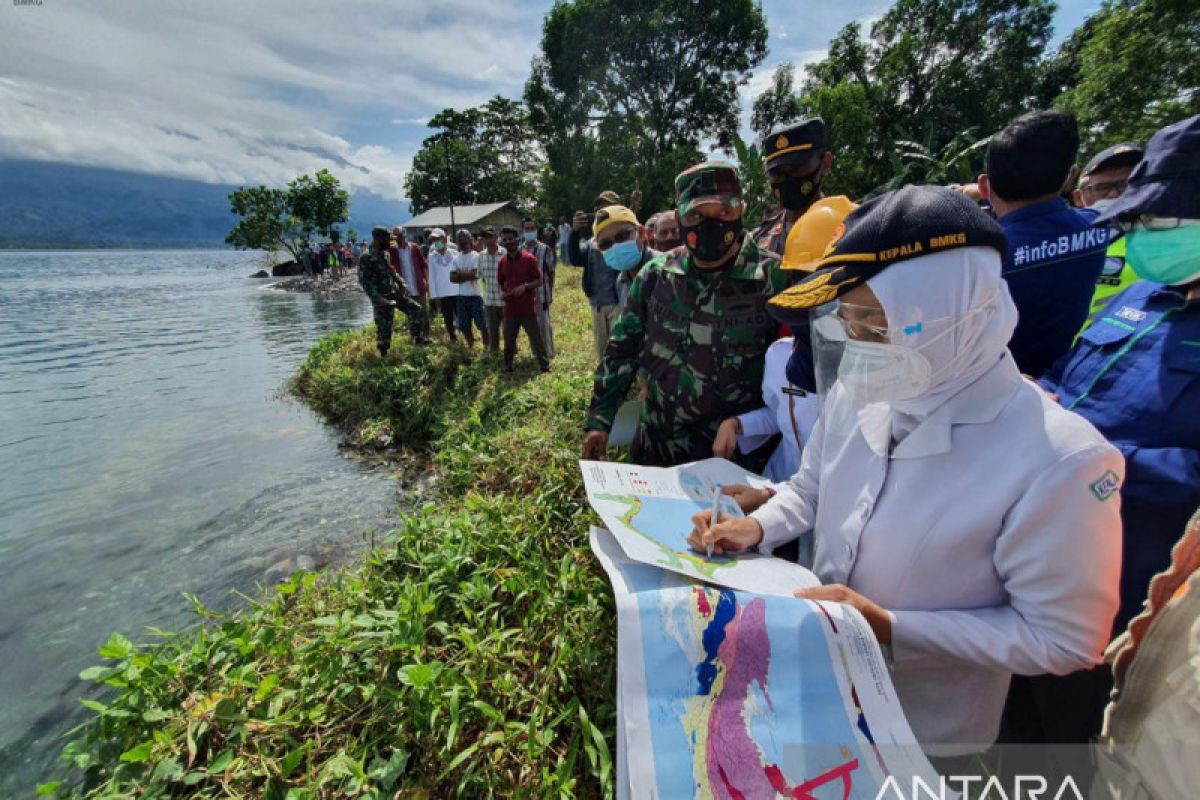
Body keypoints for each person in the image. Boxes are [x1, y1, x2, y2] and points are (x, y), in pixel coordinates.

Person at [690, 185, 1122, 764]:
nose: (858, 347)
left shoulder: (1060, 460)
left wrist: (890, 627)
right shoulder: (868, 386)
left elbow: (1065, 640)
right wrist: (759, 526)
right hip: (820, 691)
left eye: (874, 324)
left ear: (951, 309)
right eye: (848, 323)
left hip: (932, 735)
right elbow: (813, 487)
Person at [1021, 115, 1200, 747]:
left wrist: (1096, 457)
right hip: (1043, 562)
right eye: (1138, 221)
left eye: (1161, 223)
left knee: (1085, 739)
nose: (1142, 236)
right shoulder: (1140, 297)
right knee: (1021, 725)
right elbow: (1076, 374)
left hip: (1128, 593)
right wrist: (1037, 393)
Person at [582, 161, 787, 467]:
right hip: (656, 451)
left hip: (730, 464)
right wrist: (600, 419)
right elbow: (621, 351)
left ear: (741, 210)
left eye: (723, 213)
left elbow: (791, 387)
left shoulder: (775, 280)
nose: (711, 225)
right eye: (696, 216)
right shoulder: (655, 276)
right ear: (680, 220)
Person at [711, 195, 857, 483]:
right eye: (804, 279)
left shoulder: (881, 372)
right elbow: (779, 414)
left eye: (830, 283)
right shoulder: (782, 356)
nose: (819, 297)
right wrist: (737, 425)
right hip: (780, 492)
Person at [978, 111, 1109, 377]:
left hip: (998, 388)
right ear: (1070, 178)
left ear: (984, 186)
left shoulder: (984, 257)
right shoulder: (1098, 229)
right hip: (1065, 381)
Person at [1074, 142, 1145, 325]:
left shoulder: (1166, 240)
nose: (1114, 195)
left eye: (1126, 185)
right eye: (1102, 188)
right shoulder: (1064, 242)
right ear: (1079, 197)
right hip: (1074, 350)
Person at [751, 118, 836, 259]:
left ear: (825, 163)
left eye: (796, 169)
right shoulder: (758, 239)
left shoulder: (849, 229)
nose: (786, 179)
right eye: (776, 173)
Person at [569, 190, 625, 360]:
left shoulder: (626, 237)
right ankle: (605, 379)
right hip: (598, 304)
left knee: (621, 347)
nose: (603, 214)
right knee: (602, 349)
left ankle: (624, 380)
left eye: (607, 209)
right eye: (599, 211)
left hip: (619, 303)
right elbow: (575, 259)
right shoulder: (592, 242)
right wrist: (575, 232)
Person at [357, 226, 429, 356]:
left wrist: (401, 283)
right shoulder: (366, 258)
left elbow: (392, 271)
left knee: (416, 310)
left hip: (394, 292)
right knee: (385, 326)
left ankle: (416, 338)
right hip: (381, 297)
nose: (391, 242)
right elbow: (364, 281)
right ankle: (384, 353)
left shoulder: (386, 254)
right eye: (387, 239)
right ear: (378, 239)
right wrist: (377, 298)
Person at [497, 226, 550, 373]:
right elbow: (500, 280)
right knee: (508, 340)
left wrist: (525, 286)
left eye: (511, 239)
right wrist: (504, 292)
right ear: (502, 242)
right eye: (505, 240)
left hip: (527, 308)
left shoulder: (529, 259)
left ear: (517, 239)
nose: (508, 242)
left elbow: (539, 281)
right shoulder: (502, 262)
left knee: (536, 338)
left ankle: (544, 365)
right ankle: (507, 365)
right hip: (510, 309)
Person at [591, 205, 660, 308]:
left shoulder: (668, 270)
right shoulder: (621, 282)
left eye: (622, 236)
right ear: (600, 250)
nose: (615, 247)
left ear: (641, 233)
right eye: (605, 244)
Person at [521, 217, 556, 359]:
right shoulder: (519, 250)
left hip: (542, 295)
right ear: (523, 231)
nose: (529, 231)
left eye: (532, 229)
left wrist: (549, 294)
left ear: (536, 230)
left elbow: (551, 273)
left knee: (544, 325)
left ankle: (548, 353)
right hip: (526, 296)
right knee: (532, 327)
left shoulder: (544, 249)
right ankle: (536, 353)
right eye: (526, 229)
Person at [390, 226, 429, 335]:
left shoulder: (415, 248)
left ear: (404, 236)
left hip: (418, 286)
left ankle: (426, 335)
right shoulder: (392, 251)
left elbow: (423, 265)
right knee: (411, 314)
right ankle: (416, 337)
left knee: (423, 312)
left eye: (400, 236)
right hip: (405, 288)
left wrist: (427, 281)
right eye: (396, 237)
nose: (399, 239)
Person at [451, 228, 486, 348]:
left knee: (482, 324)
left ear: (470, 241)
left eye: (465, 241)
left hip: (476, 296)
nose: (463, 244)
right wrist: (467, 274)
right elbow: (452, 278)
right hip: (461, 296)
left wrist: (460, 273)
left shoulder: (477, 256)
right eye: (461, 242)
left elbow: (475, 275)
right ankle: (471, 346)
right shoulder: (456, 258)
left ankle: (487, 347)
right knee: (464, 325)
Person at [425, 227, 459, 342]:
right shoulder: (431, 256)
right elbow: (432, 278)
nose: (435, 243)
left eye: (438, 239)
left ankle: (465, 335)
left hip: (457, 291)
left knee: (462, 316)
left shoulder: (455, 253)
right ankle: (453, 338)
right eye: (433, 240)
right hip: (443, 293)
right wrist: (435, 297)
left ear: (444, 239)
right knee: (448, 318)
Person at [476, 226, 505, 355]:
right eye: (484, 237)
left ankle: (512, 352)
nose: (488, 240)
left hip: (505, 301)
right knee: (492, 331)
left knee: (509, 331)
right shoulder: (481, 256)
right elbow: (478, 275)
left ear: (496, 237)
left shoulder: (505, 253)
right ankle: (494, 354)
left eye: (490, 236)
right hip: (489, 300)